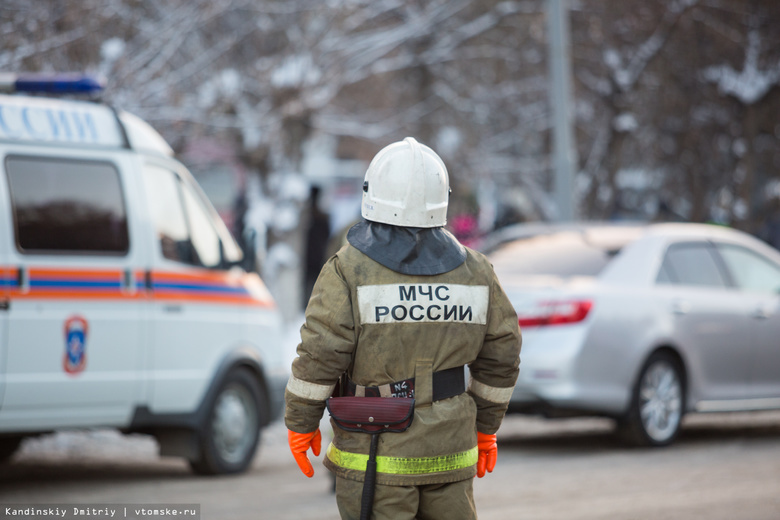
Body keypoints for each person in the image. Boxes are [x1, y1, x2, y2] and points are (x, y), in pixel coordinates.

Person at [285, 137, 522, 520]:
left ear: (372, 193)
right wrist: (485, 426)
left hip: (376, 454)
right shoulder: (477, 271)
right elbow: (503, 353)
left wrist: (301, 421)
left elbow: (321, 351)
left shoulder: (349, 269)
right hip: (451, 452)